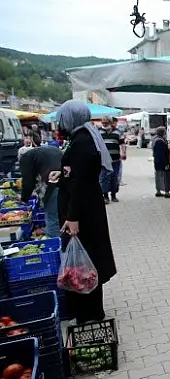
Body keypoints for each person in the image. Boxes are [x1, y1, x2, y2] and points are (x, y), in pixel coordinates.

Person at [54, 100, 117, 324]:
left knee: (83, 261)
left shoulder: (82, 141)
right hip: (88, 208)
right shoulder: (84, 136)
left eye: (62, 118)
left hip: (83, 213)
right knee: (86, 259)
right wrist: (62, 176)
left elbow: (80, 182)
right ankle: (89, 310)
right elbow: (78, 176)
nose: (59, 123)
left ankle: (88, 313)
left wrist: (72, 218)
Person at [19, 146, 63, 237]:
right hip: (67, 178)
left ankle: (55, 243)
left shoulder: (25, 158)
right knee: (62, 213)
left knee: (52, 215)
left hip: (54, 181)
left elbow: (28, 181)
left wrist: (24, 199)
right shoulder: (44, 151)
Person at [99, 116, 126, 204]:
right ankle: (105, 196)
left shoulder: (117, 132)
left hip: (115, 159)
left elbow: (122, 144)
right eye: (103, 122)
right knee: (104, 178)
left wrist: (123, 153)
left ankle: (113, 195)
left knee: (114, 177)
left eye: (106, 122)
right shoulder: (98, 132)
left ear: (110, 122)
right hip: (103, 160)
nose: (104, 124)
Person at [152, 126, 170, 198]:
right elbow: (161, 154)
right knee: (165, 177)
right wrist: (166, 163)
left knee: (158, 176)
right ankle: (167, 192)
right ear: (162, 133)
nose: (165, 134)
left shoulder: (155, 139)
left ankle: (158, 191)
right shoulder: (160, 141)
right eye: (165, 132)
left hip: (157, 162)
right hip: (162, 162)